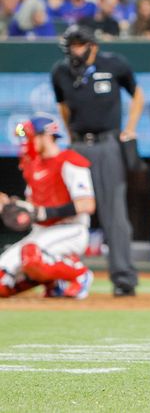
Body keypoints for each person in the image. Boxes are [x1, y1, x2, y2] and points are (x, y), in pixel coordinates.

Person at [51, 26, 143, 296]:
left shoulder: (114, 64)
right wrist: (71, 137)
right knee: (69, 212)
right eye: (72, 45)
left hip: (107, 144)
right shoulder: (60, 71)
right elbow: (63, 107)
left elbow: (138, 94)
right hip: (78, 144)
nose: (74, 50)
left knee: (114, 213)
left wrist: (131, 127)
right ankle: (61, 275)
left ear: (93, 46)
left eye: (79, 44)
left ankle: (124, 278)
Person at [0, 116, 95, 299]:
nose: (26, 142)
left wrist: (46, 212)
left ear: (46, 136)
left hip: (70, 229)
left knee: (32, 254)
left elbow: (87, 204)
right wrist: (12, 205)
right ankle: (53, 282)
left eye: (30, 136)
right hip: (41, 232)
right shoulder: (33, 167)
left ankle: (80, 274)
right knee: (2, 280)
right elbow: (33, 208)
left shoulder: (69, 160)